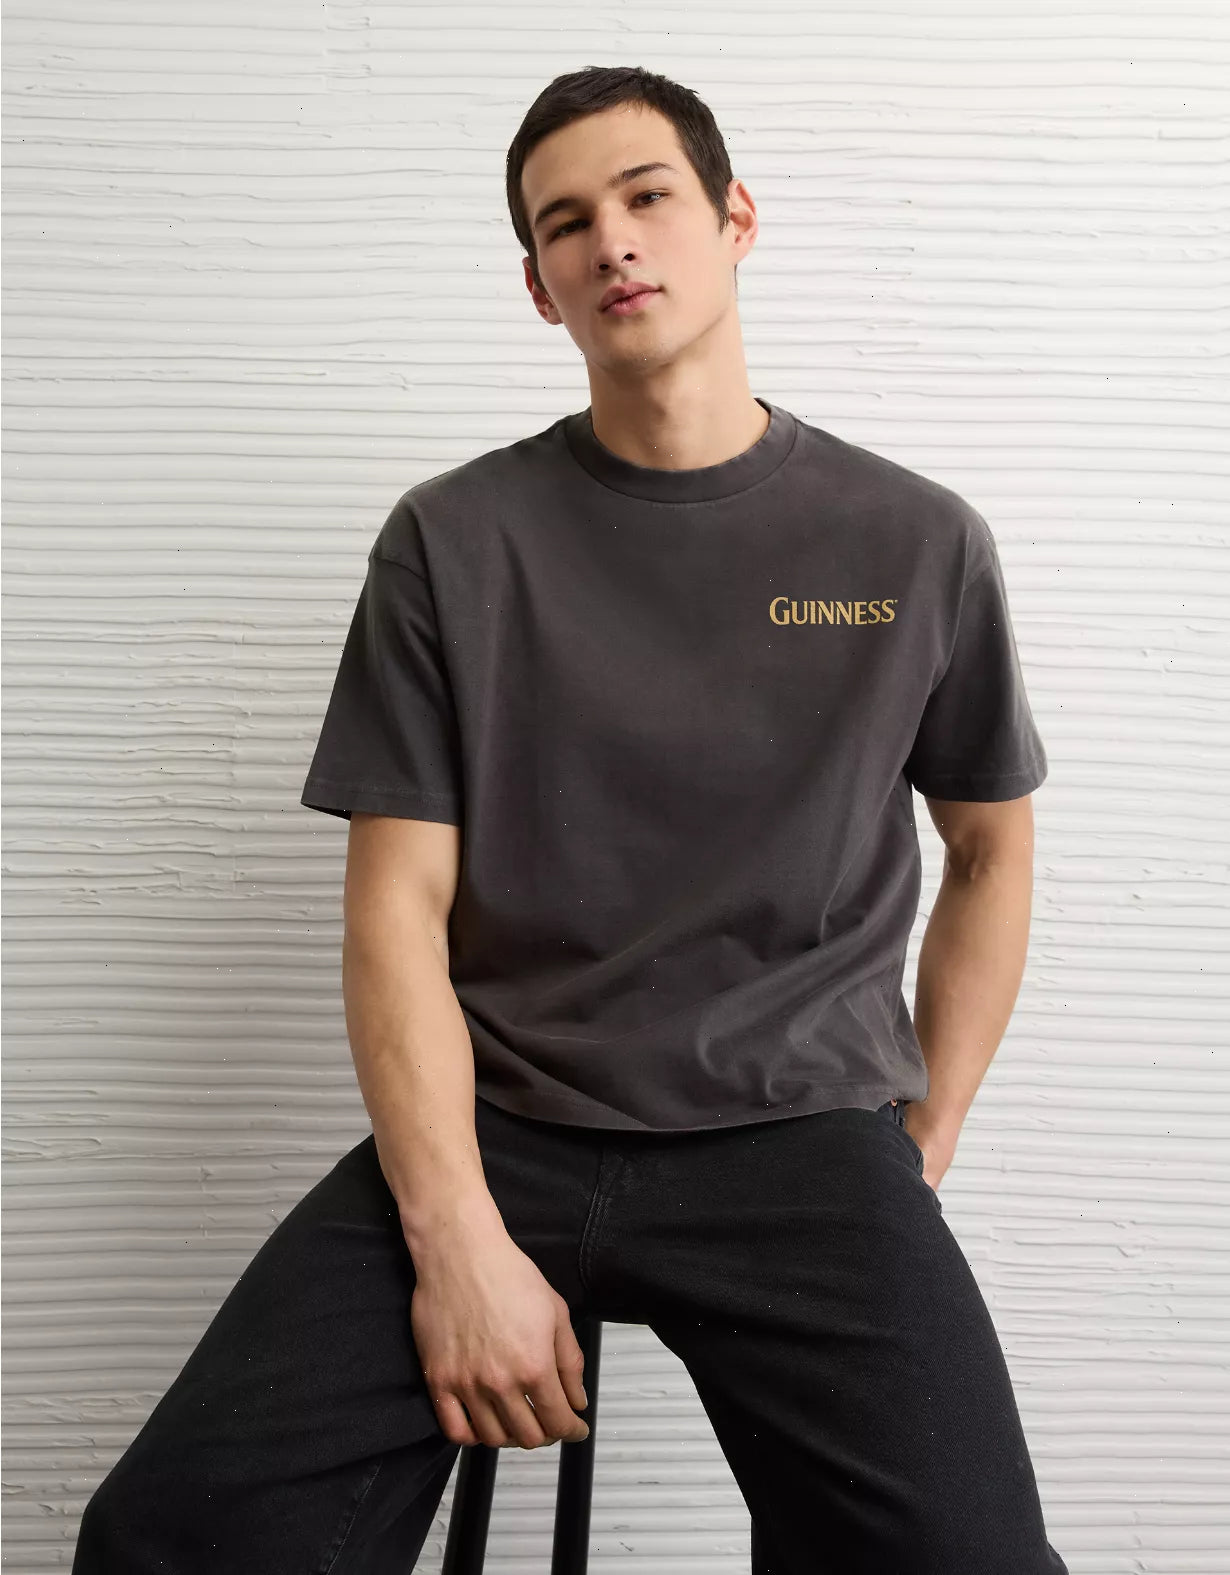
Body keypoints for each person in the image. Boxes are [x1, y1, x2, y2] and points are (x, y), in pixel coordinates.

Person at [72, 65, 1068, 1574]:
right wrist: (457, 1240)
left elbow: (989, 849)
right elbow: (394, 910)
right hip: (505, 1129)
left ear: (734, 219)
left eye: (647, 196)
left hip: (802, 1135)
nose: (612, 241)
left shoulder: (911, 543)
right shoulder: (454, 541)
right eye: (564, 224)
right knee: (176, 1535)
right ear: (538, 287)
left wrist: (920, 1146)